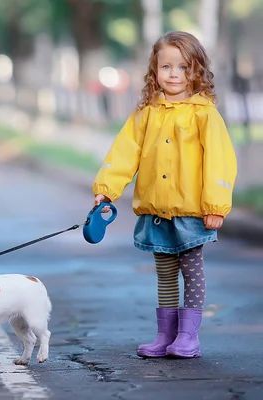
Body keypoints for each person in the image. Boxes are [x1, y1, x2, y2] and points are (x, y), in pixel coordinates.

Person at [92, 31, 238, 358]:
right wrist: (106, 189)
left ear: (196, 71)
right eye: (166, 67)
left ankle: (189, 336)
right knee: (165, 273)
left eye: (183, 67)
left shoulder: (204, 114)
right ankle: (165, 335)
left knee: (192, 269)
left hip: (191, 210)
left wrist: (216, 205)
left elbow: (220, 161)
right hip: (156, 210)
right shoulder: (146, 112)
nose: (173, 74)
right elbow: (124, 152)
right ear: (154, 70)